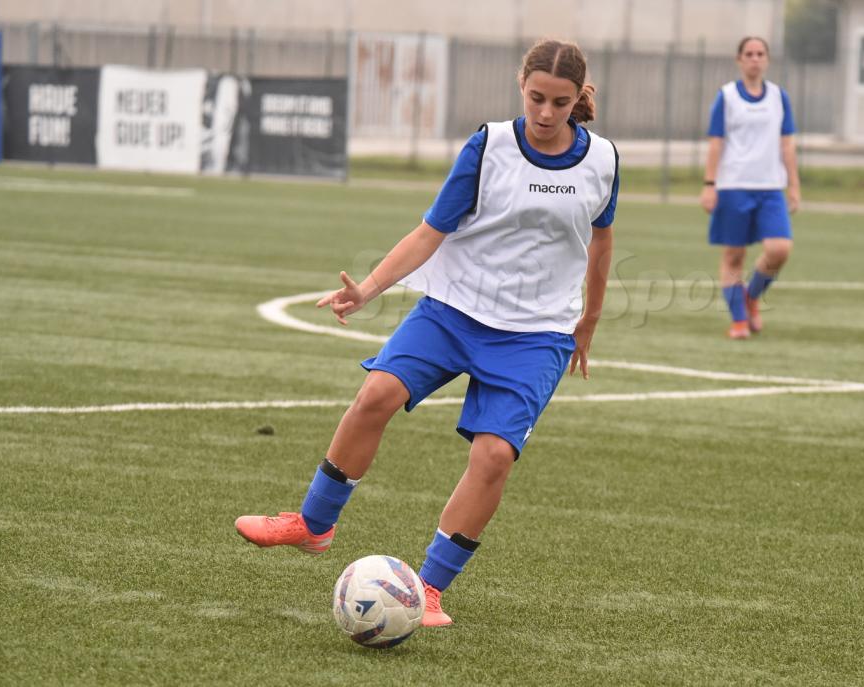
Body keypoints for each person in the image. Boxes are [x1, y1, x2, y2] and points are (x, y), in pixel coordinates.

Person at [235, 38, 619, 629]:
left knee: (494, 456)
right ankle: (312, 524)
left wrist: (588, 320)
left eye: (560, 103)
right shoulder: (488, 146)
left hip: (536, 334)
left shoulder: (604, 160)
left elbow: (601, 241)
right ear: (521, 86)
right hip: (453, 310)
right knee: (377, 393)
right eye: (537, 98)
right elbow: (430, 231)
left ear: (577, 100)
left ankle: (430, 589)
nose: (546, 113)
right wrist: (368, 289)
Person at [699, 36, 800, 339]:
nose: (755, 59)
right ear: (739, 59)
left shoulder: (779, 97)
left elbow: (787, 144)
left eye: (760, 54)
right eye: (749, 54)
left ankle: (752, 296)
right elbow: (716, 143)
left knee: (779, 249)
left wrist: (794, 185)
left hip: (770, 187)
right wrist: (710, 184)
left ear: (767, 59)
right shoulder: (727, 96)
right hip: (733, 186)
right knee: (734, 255)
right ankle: (739, 321)